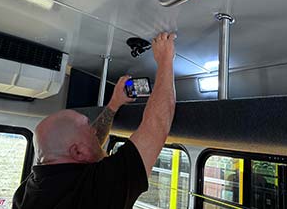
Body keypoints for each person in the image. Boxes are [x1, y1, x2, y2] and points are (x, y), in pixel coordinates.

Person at [12, 32, 176, 209]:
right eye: (88, 129)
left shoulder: (35, 186)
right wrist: (165, 59)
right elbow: (156, 127)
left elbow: (87, 146)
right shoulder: (92, 194)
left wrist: (113, 104)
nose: (94, 130)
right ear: (77, 151)